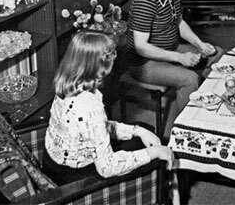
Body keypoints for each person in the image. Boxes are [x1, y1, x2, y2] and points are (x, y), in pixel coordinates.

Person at [43, 31, 173, 185]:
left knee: (143, 130)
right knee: (155, 153)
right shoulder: (89, 107)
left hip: (53, 165)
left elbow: (94, 128)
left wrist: (136, 130)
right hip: (76, 180)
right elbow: (107, 167)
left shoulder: (67, 84)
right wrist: (153, 152)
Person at [124, 0, 223, 125]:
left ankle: (205, 106)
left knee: (217, 54)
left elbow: (179, 22)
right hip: (144, 64)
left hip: (171, 49)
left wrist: (200, 44)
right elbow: (141, 47)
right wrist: (180, 58)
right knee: (189, 79)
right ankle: (186, 128)